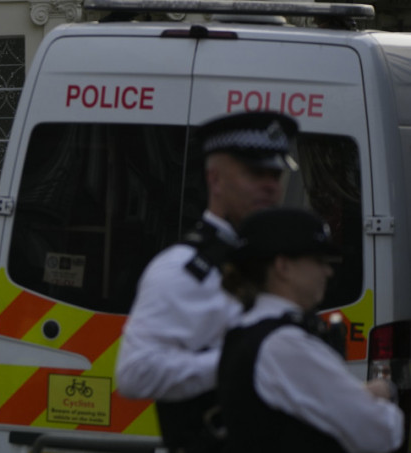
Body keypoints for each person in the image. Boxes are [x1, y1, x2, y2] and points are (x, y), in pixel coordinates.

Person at [115, 111, 299, 453]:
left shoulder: (279, 263)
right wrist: (238, 363)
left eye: (275, 173)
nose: (270, 185)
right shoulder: (181, 269)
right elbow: (134, 374)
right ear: (215, 180)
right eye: (255, 172)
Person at [217, 207, 404, 453]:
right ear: (283, 266)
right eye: (318, 260)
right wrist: (382, 395)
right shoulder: (284, 344)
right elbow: (380, 434)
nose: (327, 271)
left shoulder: (246, 329)